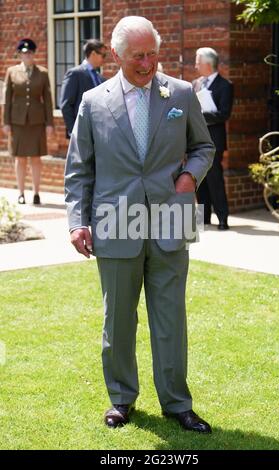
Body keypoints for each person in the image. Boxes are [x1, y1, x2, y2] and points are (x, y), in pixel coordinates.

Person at [65, 16, 215, 433]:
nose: (148, 63)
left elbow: (203, 146)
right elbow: (79, 168)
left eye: (152, 53)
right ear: (116, 55)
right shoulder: (94, 102)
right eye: (138, 56)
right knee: (118, 320)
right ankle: (121, 399)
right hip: (114, 219)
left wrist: (190, 177)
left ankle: (178, 403)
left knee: (171, 317)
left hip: (173, 214)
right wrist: (77, 221)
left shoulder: (181, 93)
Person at [3, 38, 54, 205]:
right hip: (17, 122)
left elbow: (47, 100)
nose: (27, 56)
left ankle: (36, 193)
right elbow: (7, 98)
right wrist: (6, 122)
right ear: (20, 55)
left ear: (34, 54)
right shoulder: (12, 71)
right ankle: (21, 193)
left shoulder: (43, 73)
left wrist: (49, 123)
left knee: (36, 158)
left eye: (30, 53)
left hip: (37, 122)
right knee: (20, 158)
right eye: (24, 53)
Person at [193, 47, 233, 230]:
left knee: (215, 178)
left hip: (214, 139)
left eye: (197, 62)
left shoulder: (225, 86)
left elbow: (224, 114)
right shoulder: (195, 84)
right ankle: (203, 218)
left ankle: (223, 218)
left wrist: (203, 115)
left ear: (207, 64)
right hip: (197, 139)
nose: (195, 66)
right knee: (198, 179)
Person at [60, 39, 107, 138]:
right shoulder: (75, 74)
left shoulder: (100, 78)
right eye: (103, 55)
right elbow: (66, 105)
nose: (104, 59)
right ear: (93, 53)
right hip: (80, 133)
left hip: (98, 133)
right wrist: (74, 132)